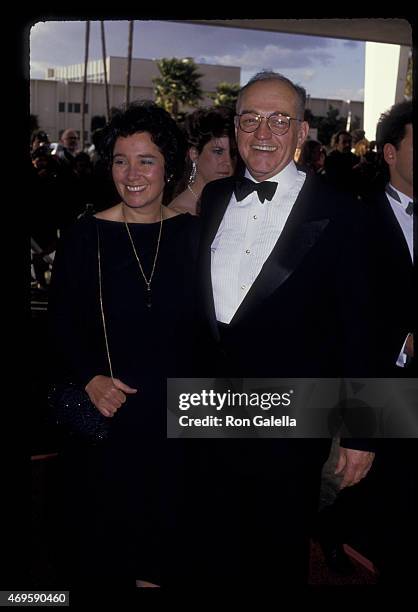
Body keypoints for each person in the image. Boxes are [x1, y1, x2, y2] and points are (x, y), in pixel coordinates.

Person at [193, 71, 382, 586]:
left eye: (280, 120)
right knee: (211, 548)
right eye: (250, 119)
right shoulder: (213, 200)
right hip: (208, 412)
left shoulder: (345, 214)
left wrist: (365, 433)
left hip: (291, 420)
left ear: (302, 133)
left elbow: (364, 330)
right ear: (234, 129)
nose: (263, 132)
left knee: (274, 557)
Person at [48, 100, 199, 596]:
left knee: (165, 549)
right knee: (104, 550)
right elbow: (61, 324)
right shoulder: (83, 235)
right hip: (110, 412)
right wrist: (90, 376)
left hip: (176, 419)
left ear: (169, 167)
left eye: (146, 160)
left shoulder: (194, 235)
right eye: (120, 160)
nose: (132, 174)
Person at [168, 106, 237, 215]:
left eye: (233, 153)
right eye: (218, 152)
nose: (228, 161)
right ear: (194, 154)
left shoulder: (236, 203)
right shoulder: (175, 215)